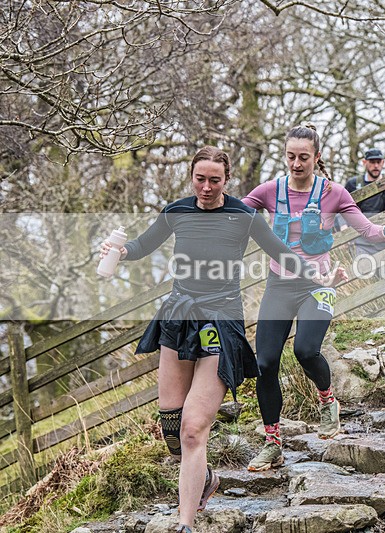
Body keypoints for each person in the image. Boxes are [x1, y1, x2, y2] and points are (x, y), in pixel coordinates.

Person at [99, 146, 322, 533]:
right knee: (172, 431)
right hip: (179, 320)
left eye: (214, 180)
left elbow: (281, 252)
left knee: (192, 430)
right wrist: (119, 250)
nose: (205, 187)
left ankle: (185, 524)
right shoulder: (176, 211)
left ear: (226, 180)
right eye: (199, 179)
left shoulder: (243, 216)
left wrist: (317, 275)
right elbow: (141, 246)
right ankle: (204, 478)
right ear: (191, 177)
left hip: (221, 322)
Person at [242, 124, 385, 471]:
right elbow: (234, 212)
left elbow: (365, 228)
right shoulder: (270, 190)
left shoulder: (333, 193)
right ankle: (272, 443)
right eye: (290, 157)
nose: (296, 164)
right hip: (279, 285)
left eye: (303, 158)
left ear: (317, 157)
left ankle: (327, 400)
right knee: (266, 364)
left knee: (305, 350)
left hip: (318, 284)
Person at [343, 148, 385, 300]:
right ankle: (368, 311)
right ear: (364, 162)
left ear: (383, 162)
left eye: (378, 162)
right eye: (372, 162)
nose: (375, 165)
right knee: (363, 278)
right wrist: (344, 230)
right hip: (362, 242)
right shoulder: (353, 184)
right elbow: (342, 208)